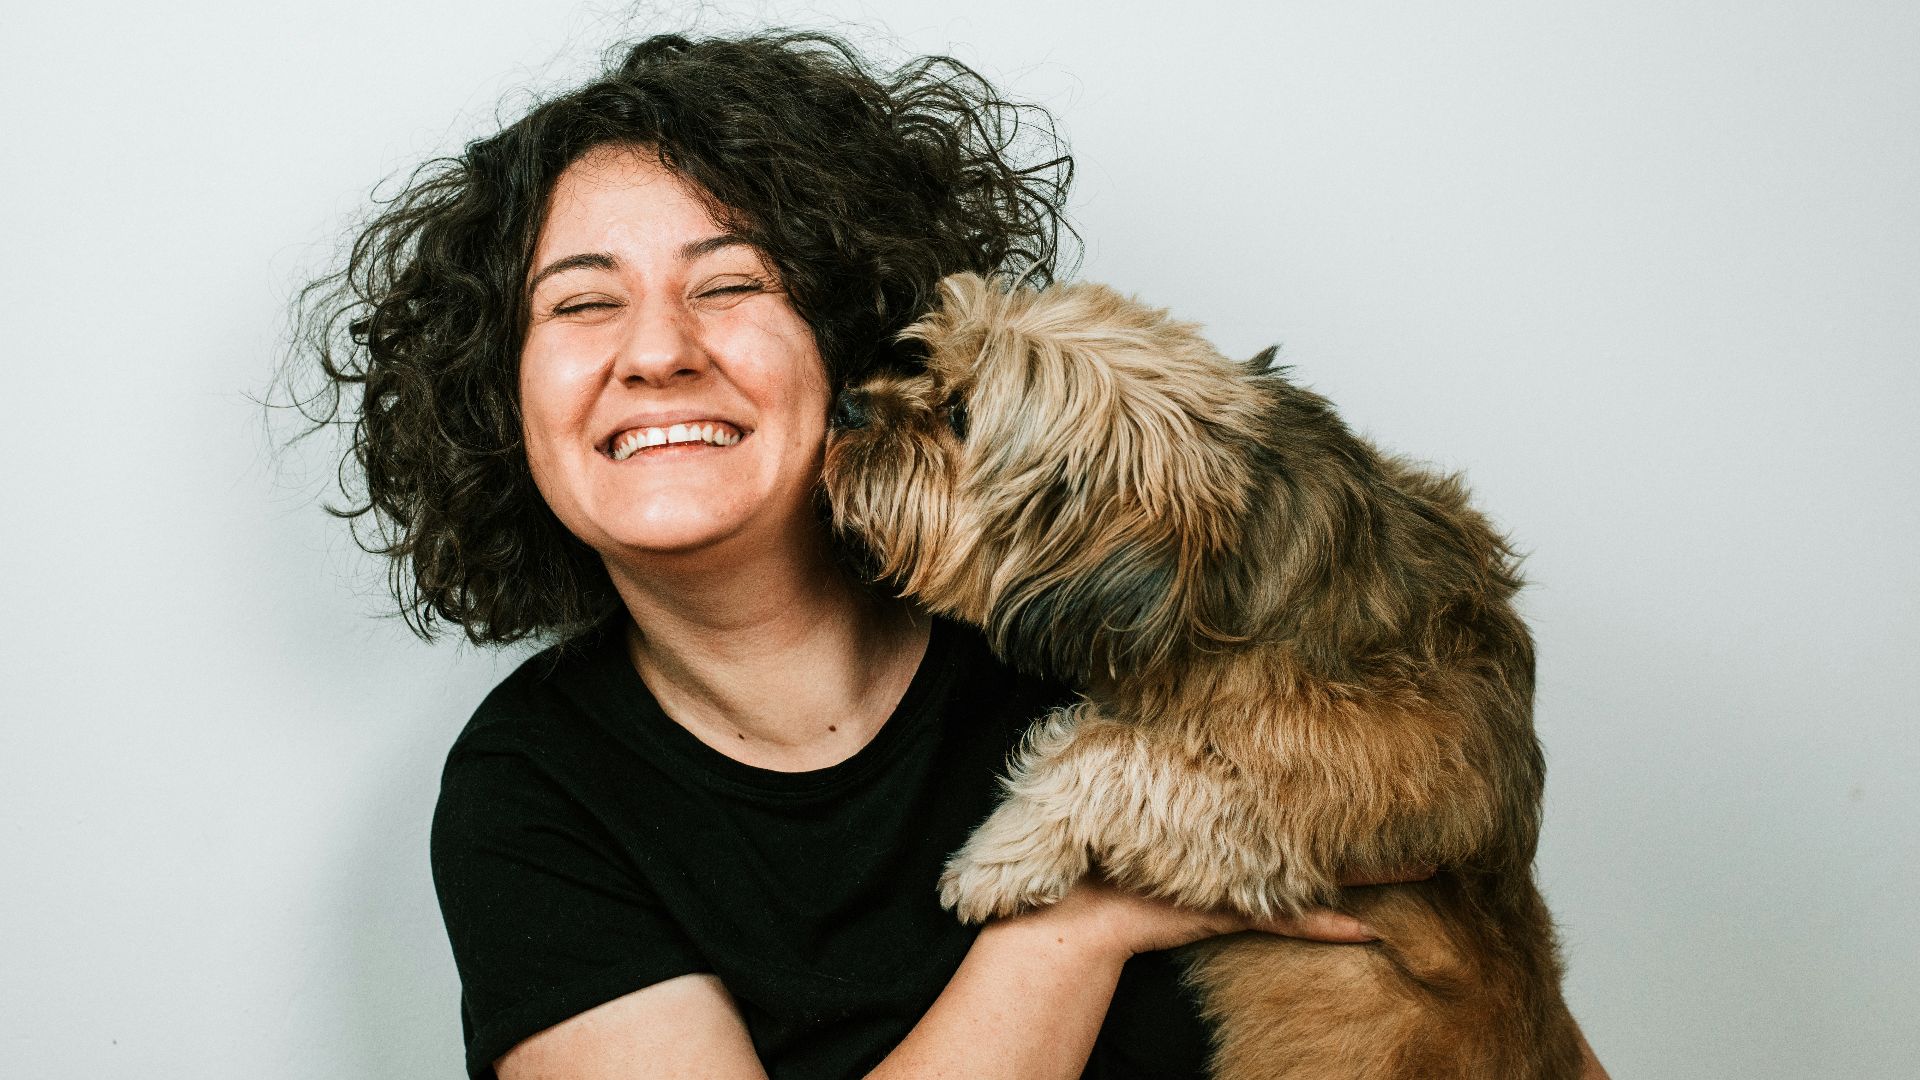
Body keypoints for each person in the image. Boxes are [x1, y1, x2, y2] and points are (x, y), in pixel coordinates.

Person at [292, 29, 1607, 1080]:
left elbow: (1472, 922)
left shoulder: (1108, 619)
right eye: (581, 304)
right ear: (499, 398)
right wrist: (1080, 925)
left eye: (732, 283)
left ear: (852, 330)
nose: (656, 350)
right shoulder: (533, 794)